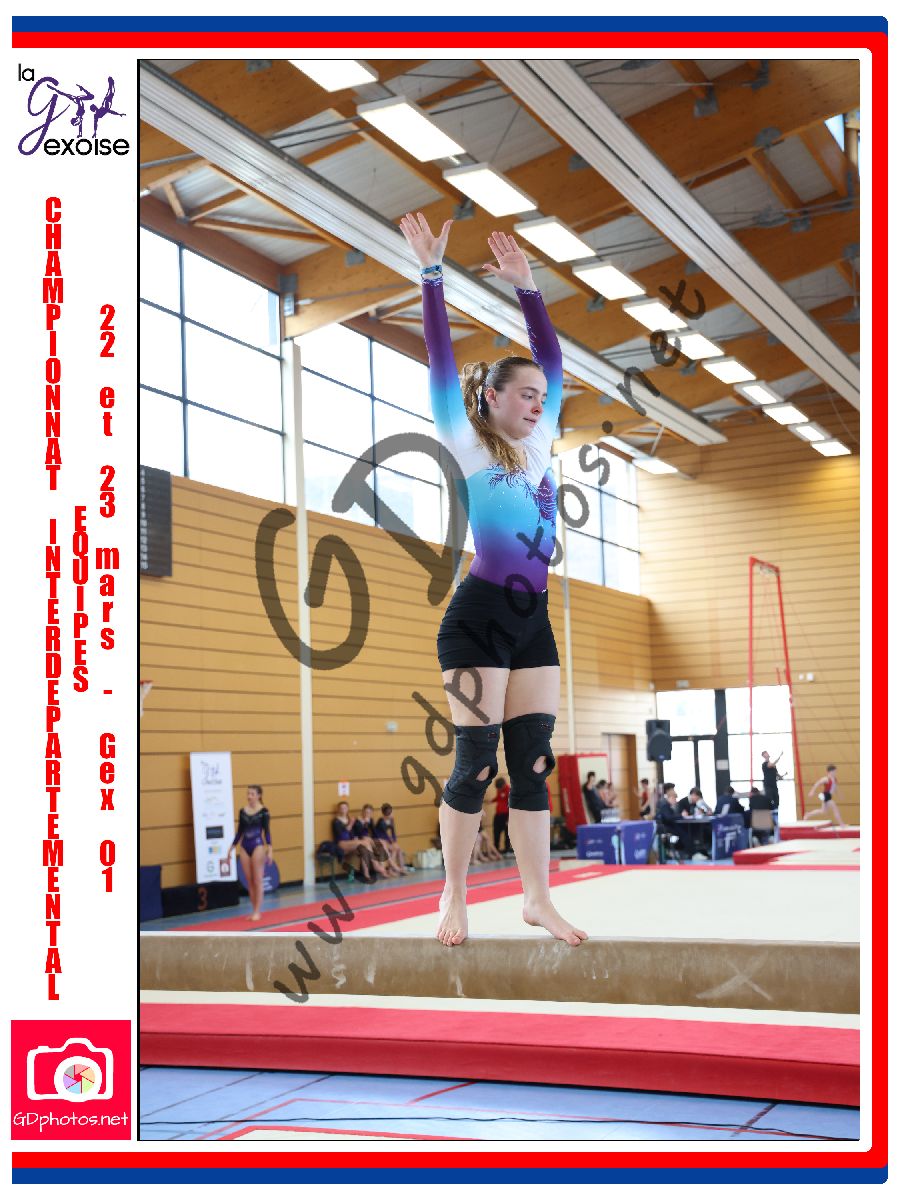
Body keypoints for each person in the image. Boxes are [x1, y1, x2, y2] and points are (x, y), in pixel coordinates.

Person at [400, 211, 587, 948]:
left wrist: (529, 288)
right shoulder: (465, 441)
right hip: (478, 618)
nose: (540, 403)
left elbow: (554, 358)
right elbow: (442, 362)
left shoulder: (539, 445)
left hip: (530, 618)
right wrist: (432, 275)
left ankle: (537, 899)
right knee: (476, 765)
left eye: (542, 397)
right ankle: (454, 895)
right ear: (492, 399)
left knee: (533, 763)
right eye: (527, 395)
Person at [220, 785, 272, 921]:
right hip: (244, 846)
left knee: (257, 880)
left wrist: (270, 850)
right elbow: (239, 832)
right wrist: (231, 848)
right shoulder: (242, 811)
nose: (249, 796)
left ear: (259, 796)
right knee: (249, 881)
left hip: (257, 845)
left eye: (252, 794)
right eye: (248, 793)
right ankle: (253, 910)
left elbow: (267, 832)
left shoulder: (264, 812)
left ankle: (257, 911)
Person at [331, 799, 378, 884]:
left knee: (364, 849)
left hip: (351, 842)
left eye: (345, 808)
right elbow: (341, 835)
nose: (343, 809)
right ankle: (375, 865)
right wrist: (350, 824)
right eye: (341, 808)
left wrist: (355, 838)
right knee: (365, 843)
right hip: (342, 843)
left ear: (348, 809)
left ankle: (366, 875)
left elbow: (353, 833)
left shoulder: (350, 819)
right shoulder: (336, 821)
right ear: (338, 809)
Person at [375, 803, 410, 874]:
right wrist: (390, 842)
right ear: (385, 813)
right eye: (389, 812)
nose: (391, 814)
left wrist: (394, 841)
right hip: (380, 840)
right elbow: (382, 834)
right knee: (394, 849)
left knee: (398, 849)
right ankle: (392, 869)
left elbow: (393, 832)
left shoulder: (391, 820)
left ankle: (402, 868)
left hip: (386, 840)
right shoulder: (381, 821)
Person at [655, 782, 683, 862]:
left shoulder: (668, 804)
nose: (675, 800)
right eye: (674, 799)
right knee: (682, 833)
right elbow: (668, 817)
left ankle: (677, 852)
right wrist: (681, 815)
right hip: (664, 827)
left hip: (666, 826)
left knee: (682, 832)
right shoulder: (664, 804)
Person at [490, 776, 512, 854]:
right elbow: (498, 797)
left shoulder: (509, 790)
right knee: (496, 832)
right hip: (498, 814)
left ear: (503, 785)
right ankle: (496, 849)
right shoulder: (499, 789)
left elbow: (511, 806)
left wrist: (508, 819)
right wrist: (492, 801)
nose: (498, 790)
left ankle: (506, 850)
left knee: (507, 833)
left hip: (506, 815)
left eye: (499, 788)